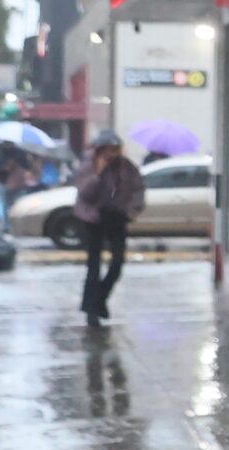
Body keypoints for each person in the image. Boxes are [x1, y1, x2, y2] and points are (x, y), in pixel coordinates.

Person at [73, 132, 145, 327]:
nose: (113, 154)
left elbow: (138, 188)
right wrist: (98, 174)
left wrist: (131, 210)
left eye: (116, 150)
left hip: (117, 216)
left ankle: (100, 300)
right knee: (94, 266)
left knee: (117, 263)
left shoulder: (126, 167)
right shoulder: (89, 166)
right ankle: (91, 310)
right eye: (110, 150)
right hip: (93, 218)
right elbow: (84, 194)